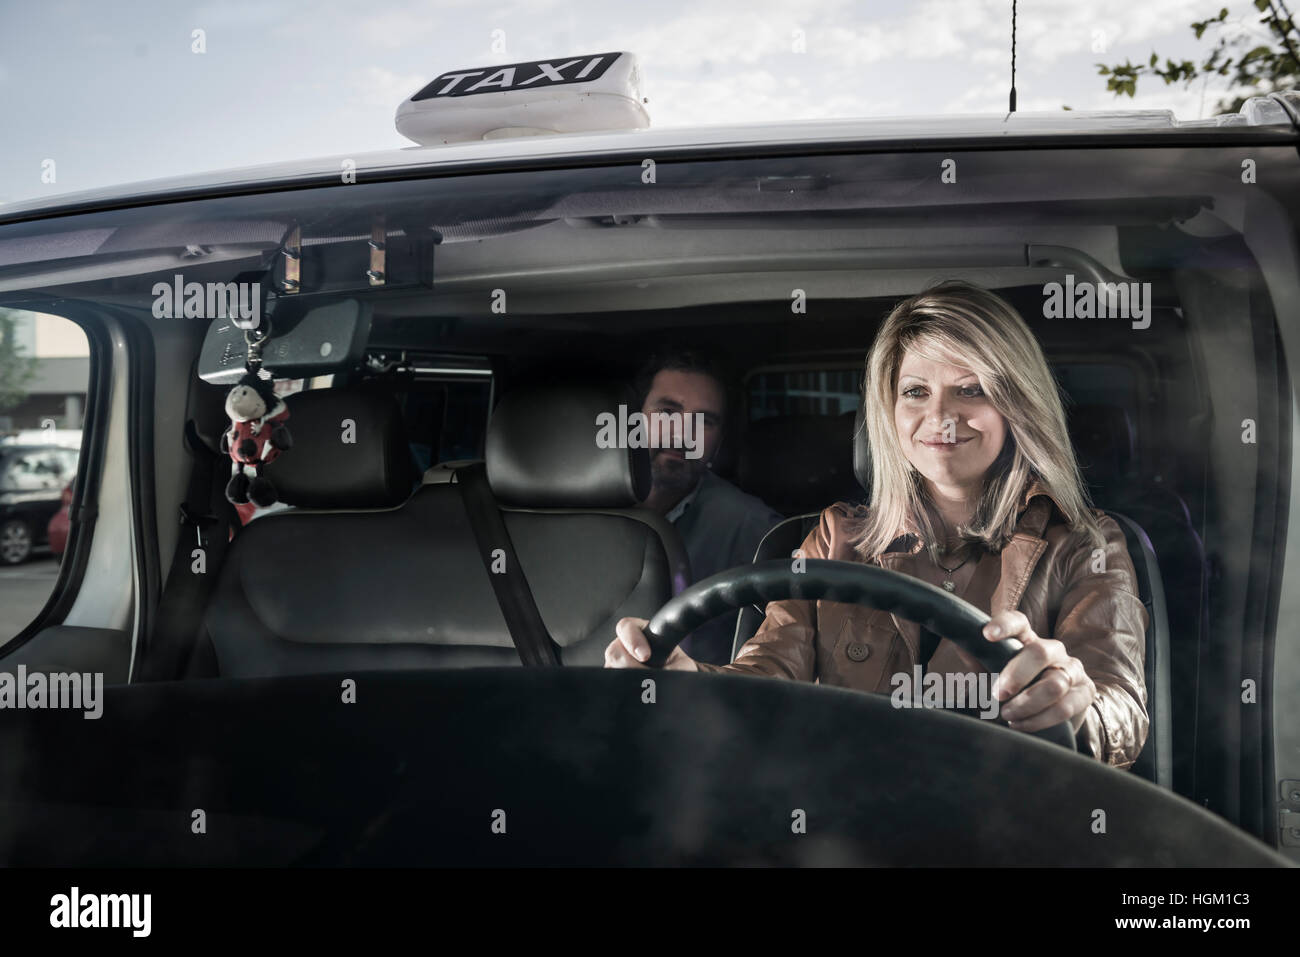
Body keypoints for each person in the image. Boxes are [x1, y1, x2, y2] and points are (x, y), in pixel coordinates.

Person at [607, 281, 1149, 768]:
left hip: (1001, 819)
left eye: (971, 389)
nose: (940, 417)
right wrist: (686, 680)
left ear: (1016, 404)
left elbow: (1120, 709)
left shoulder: (1083, 542)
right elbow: (767, 677)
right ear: (888, 410)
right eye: (916, 391)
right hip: (850, 814)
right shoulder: (839, 536)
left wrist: (1074, 706)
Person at [632, 347, 784, 665]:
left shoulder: (755, 531)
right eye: (667, 413)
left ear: (719, 441)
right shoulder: (566, 515)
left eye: (704, 422)